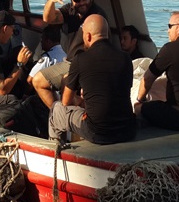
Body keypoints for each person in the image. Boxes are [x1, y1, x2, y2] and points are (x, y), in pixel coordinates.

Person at [49, 15, 136, 144]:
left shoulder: (80, 60)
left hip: (99, 133)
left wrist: (81, 101)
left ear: (88, 36)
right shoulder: (126, 58)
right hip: (127, 130)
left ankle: (56, 151)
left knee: (56, 109)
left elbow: (66, 102)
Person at [31, 0, 109, 108]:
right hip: (70, 61)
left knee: (66, 82)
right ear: (73, 1)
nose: (82, 2)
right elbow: (48, 18)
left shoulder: (97, 16)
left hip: (89, 62)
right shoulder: (69, 10)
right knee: (38, 81)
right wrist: (52, 1)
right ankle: (59, 114)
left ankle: (73, 111)